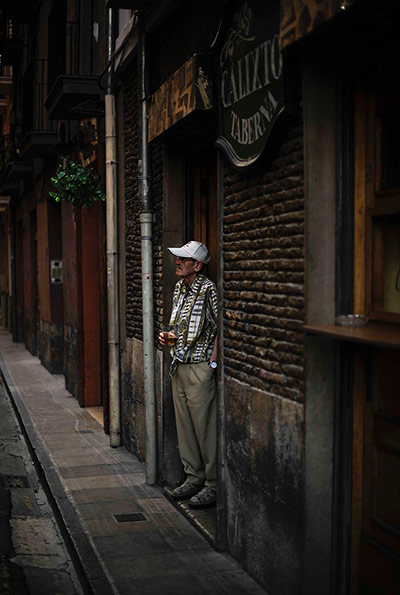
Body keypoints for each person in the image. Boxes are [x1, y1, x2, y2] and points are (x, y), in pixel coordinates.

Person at [159, 241, 218, 508]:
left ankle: (213, 483)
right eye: (178, 258)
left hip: (199, 368)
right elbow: (175, 323)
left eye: (184, 259)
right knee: (185, 428)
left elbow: (221, 327)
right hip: (178, 366)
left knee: (204, 428)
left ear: (198, 264)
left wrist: (213, 363)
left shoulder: (208, 290)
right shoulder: (179, 288)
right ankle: (193, 477)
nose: (177, 262)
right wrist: (166, 335)